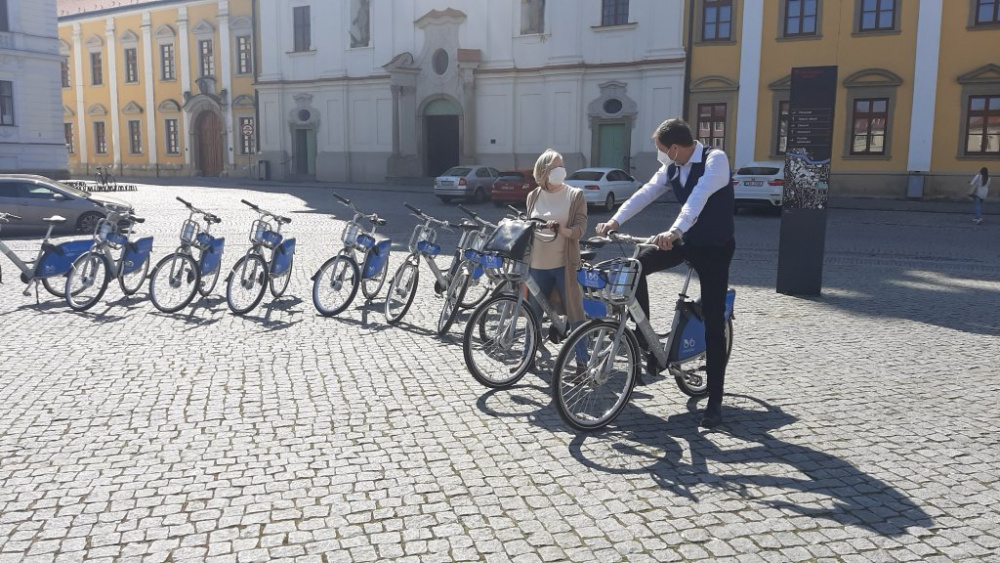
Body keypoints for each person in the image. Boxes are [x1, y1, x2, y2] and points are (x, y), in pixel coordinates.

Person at [596, 118, 735, 428]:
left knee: (714, 321)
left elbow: (697, 200)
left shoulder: (716, 160)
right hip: (684, 241)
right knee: (636, 266)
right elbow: (646, 193)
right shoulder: (672, 167)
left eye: (661, 149)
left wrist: (673, 231)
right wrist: (614, 221)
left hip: (713, 246)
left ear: (674, 148)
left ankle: (714, 400)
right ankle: (647, 343)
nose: (660, 155)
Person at [526, 149, 589, 373]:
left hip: (564, 264)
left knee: (575, 314)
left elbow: (581, 228)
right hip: (536, 265)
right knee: (532, 314)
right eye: (555, 167)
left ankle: (583, 364)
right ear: (543, 171)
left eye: (562, 165)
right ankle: (527, 359)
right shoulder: (533, 196)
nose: (561, 170)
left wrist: (563, 230)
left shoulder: (575, 195)